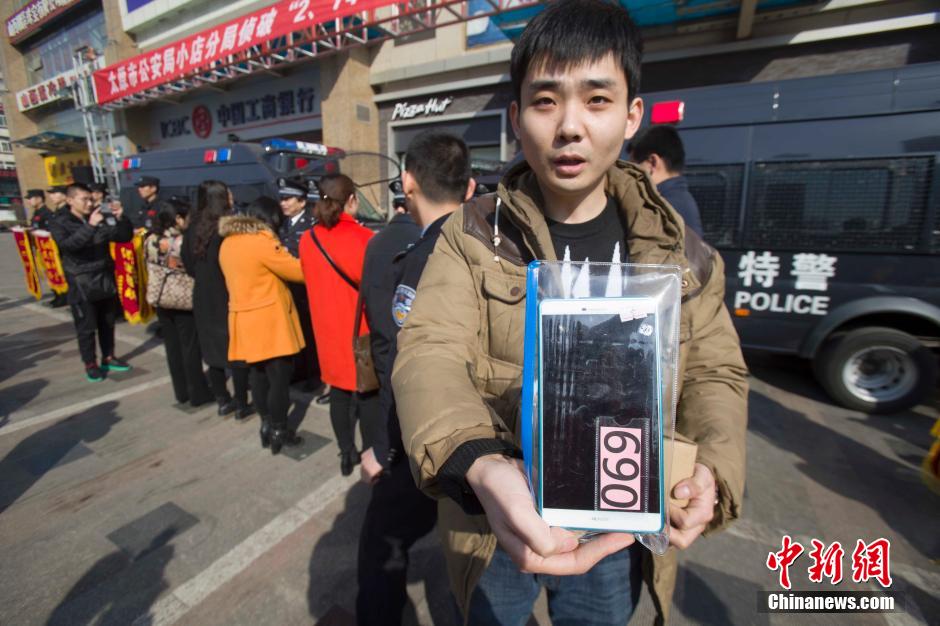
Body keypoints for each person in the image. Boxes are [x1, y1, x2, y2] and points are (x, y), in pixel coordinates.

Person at [391, 2, 749, 624]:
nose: (570, 126)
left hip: (620, 516)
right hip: (498, 512)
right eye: (546, 100)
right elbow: (429, 349)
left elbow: (715, 372)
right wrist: (478, 463)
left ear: (632, 115)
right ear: (516, 117)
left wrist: (711, 472)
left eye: (597, 99)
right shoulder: (471, 235)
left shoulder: (683, 254)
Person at [357, 131, 474, 626]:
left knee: (380, 544)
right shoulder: (491, 244)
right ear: (470, 188)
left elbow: (400, 365)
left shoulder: (420, 254)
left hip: (427, 434)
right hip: (487, 437)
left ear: (407, 182)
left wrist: (382, 450)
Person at [298, 174, 373, 476]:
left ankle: (345, 452)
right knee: (367, 396)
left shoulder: (307, 239)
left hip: (327, 332)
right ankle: (370, 456)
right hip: (360, 332)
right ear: (351, 200)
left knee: (339, 395)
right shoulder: (364, 238)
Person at [220, 197, 306, 454]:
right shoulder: (262, 241)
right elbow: (297, 271)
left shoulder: (228, 242)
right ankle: (280, 429)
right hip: (269, 320)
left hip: (244, 319)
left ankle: (266, 424)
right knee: (279, 379)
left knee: (258, 376)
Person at [48, 183, 134, 382]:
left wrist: (121, 218)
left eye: (91, 199)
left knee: (108, 321)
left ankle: (108, 356)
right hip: (81, 280)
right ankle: (90, 363)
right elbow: (70, 246)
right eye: (84, 199)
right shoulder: (60, 222)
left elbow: (123, 237)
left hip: (104, 276)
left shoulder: (98, 216)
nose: (89, 203)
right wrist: (90, 226)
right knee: (86, 326)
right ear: (70, 200)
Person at [182, 180, 252, 419]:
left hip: (203, 296)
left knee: (213, 353)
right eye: (228, 194)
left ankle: (223, 399)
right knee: (237, 352)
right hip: (229, 293)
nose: (232, 198)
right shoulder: (229, 227)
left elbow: (188, 265)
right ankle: (242, 403)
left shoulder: (192, 228)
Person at [144, 198, 213, 408]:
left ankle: (181, 392)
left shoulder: (150, 239)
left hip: (161, 298)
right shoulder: (180, 242)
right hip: (182, 299)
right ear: (178, 219)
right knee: (190, 347)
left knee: (172, 347)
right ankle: (197, 392)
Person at [277, 177, 322, 393]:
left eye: (288, 199)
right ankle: (300, 371)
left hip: (307, 289)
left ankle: (314, 375)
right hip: (290, 288)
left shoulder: (311, 224)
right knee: (296, 331)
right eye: (282, 199)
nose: (284, 203)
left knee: (310, 334)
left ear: (302, 202)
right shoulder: (283, 224)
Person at [629, 124, 705, 237]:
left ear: (652, 162)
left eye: (633, 167)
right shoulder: (681, 200)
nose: (630, 175)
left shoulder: (660, 209)